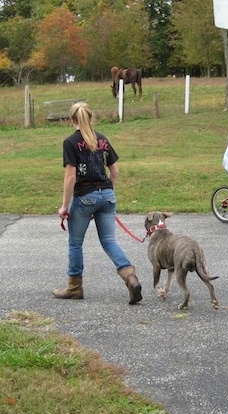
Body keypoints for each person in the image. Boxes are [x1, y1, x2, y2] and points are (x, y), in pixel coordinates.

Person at [53, 101, 142, 304]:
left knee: (75, 243)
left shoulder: (70, 142)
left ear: (72, 120)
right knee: (109, 241)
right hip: (108, 196)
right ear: (91, 118)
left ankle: (74, 288)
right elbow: (115, 171)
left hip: (84, 196)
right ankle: (130, 278)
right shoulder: (102, 139)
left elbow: (70, 177)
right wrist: (106, 191)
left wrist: (65, 206)